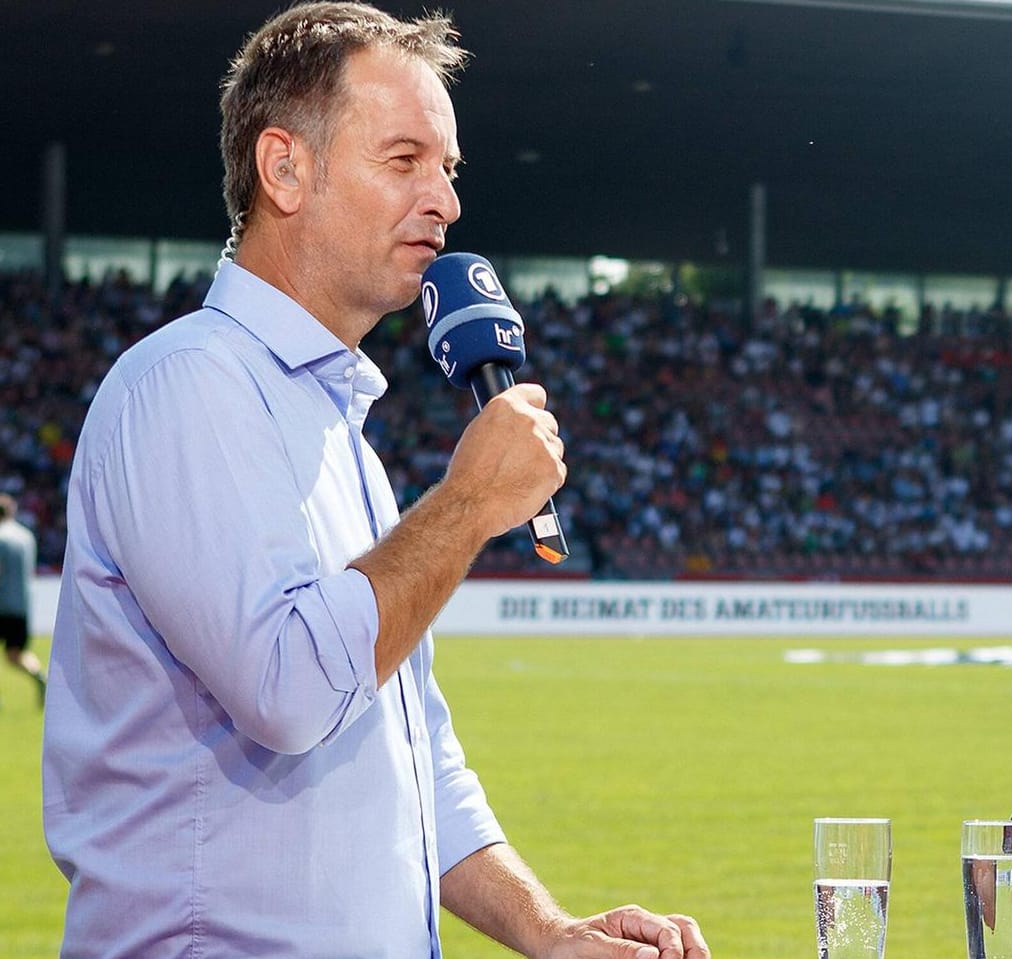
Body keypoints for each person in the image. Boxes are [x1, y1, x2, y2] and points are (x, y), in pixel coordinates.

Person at [42, 5, 709, 958]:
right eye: (404, 160)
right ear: (285, 170)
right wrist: (470, 502)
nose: (445, 200)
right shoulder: (187, 385)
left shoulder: (337, 429)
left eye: (448, 168)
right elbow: (284, 686)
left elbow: (410, 754)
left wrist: (549, 930)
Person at [0, 493, 46, 706]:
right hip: (22, 604)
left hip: (2, 603)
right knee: (16, 653)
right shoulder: (26, 536)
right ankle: (39, 675)